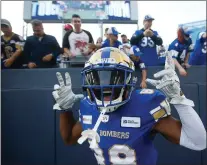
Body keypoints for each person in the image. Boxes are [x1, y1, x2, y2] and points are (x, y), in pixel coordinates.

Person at [52, 47, 206, 165]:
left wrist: (179, 98)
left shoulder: (145, 105)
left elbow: (198, 142)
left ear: (128, 79)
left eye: (114, 77)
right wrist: (65, 110)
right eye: (97, 78)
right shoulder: (87, 106)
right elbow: (69, 139)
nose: (105, 86)